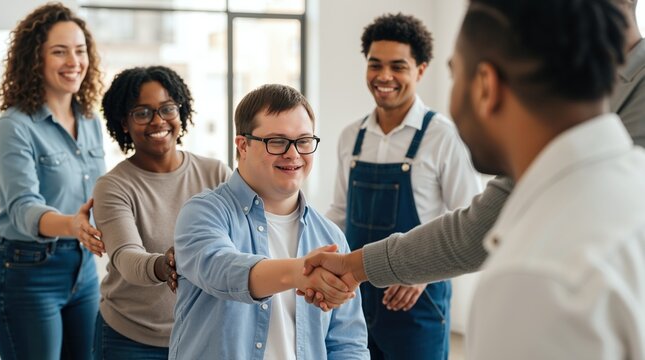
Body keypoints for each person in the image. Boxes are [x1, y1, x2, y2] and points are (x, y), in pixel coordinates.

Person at [307, 0, 645, 358]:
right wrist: (350, 266)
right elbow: (474, 227)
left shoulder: (534, 279)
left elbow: (470, 224)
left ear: (485, 85)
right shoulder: (630, 176)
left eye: (454, 73)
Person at [169, 84, 369, 359]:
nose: (293, 153)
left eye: (304, 141)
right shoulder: (203, 213)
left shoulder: (330, 237)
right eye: (277, 141)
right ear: (243, 145)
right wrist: (300, 272)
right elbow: (221, 269)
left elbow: (348, 343)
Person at [325, 13, 481, 359]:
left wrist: (422, 273)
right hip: (356, 299)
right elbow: (340, 213)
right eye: (375, 64)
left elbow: (468, 223)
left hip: (416, 303)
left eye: (398, 66)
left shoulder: (443, 137)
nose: (384, 76)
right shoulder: (351, 136)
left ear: (420, 70)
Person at [0, 3, 105, 359]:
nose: (74, 61)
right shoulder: (15, 126)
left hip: (82, 269)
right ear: (34, 58)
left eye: (80, 51)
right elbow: (23, 208)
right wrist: (73, 224)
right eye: (59, 51)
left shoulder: (89, 120)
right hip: (27, 272)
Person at [91, 66, 231, 359]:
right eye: (142, 113)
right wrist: (165, 265)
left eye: (167, 109)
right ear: (124, 123)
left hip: (202, 332)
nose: (158, 121)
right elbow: (126, 258)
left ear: (180, 112)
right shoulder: (113, 186)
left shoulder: (216, 173)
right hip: (130, 338)